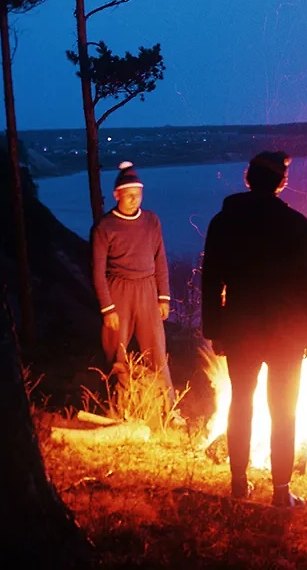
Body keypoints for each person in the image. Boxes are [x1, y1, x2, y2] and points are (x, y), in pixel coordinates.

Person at [201, 151, 307, 506]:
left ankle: (239, 484)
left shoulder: (223, 221)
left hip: (241, 326)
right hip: (286, 330)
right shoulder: (294, 223)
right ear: (281, 182)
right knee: (283, 410)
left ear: (248, 178)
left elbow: (211, 279)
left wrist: (215, 328)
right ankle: (280, 492)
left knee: (241, 403)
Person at [90, 161, 182, 426]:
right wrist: (107, 308)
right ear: (117, 194)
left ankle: (170, 409)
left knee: (156, 349)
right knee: (114, 350)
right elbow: (97, 271)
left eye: (138, 194)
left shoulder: (151, 221)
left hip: (147, 288)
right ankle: (115, 406)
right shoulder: (105, 227)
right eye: (128, 194)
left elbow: (160, 258)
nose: (134, 199)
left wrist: (163, 295)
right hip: (118, 289)